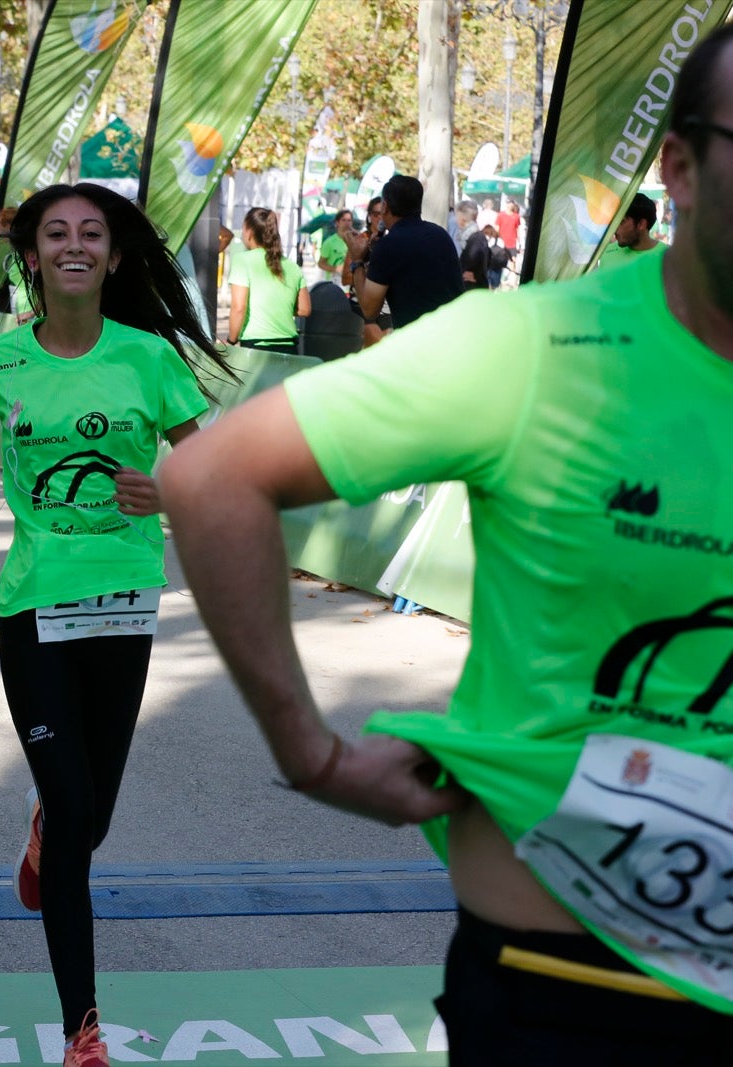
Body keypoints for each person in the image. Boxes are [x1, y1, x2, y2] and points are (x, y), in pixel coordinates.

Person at [156, 23, 733, 1063]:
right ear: (681, 165)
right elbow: (210, 476)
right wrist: (309, 750)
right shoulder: (535, 346)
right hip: (579, 984)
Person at [0, 181, 232, 1067]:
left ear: (112, 256)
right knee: (74, 810)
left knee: (87, 817)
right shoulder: (0, 361)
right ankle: (83, 1031)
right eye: (56, 233)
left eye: (90, 234)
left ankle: (44, 831)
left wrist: (172, 490)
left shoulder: (149, 358)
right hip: (34, 605)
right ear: (32, 256)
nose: (73, 245)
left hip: (123, 606)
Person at [347, 175, 462, 340]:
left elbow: (369, 309)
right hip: (454, 336)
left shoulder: (388, 246)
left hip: (418, 344)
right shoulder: (440, 234)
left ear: (385, 207)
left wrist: (357, 260)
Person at [226, 207, 310, 353]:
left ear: (249, 232)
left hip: (256, 346)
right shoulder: (292, 266)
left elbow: (239, 307)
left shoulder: (242, 260)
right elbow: (304, 309)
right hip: (289, 346)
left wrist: (231, 341)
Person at [597, 192, 667, 271]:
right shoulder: (607, 254)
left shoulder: (669, 259)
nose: (614, 228)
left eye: (621, 222)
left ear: (641, 224)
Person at [457, 201, 492, 290]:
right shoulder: (473, 236)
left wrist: (475, 275)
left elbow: (472, 262)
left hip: (473, 290)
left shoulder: (475, 238)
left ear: (462, 219)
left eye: (456, 216)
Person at [316, 209, 353, 280]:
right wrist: (335, 268)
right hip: (333, 283)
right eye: (344, 220)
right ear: (337, 222)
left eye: (349, 220)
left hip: (349, 284)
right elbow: (321, 263)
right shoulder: (329, 242)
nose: (347, 223)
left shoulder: (355, 242)